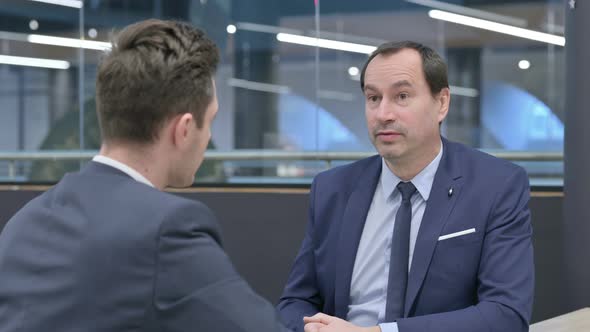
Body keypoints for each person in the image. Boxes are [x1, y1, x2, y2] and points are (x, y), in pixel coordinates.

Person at [0, 19, 288, 332]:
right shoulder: (165, 230)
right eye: (210, 121)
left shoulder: (26, 220)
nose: (208, 138)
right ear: (185, 129)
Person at [277, 41, 534, 332]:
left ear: (442, 103)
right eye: (373, 98)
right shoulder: (333, 189)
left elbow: (505, 315)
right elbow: (294, 303)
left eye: (401, 96)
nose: (383, 113)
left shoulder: (495, 185)